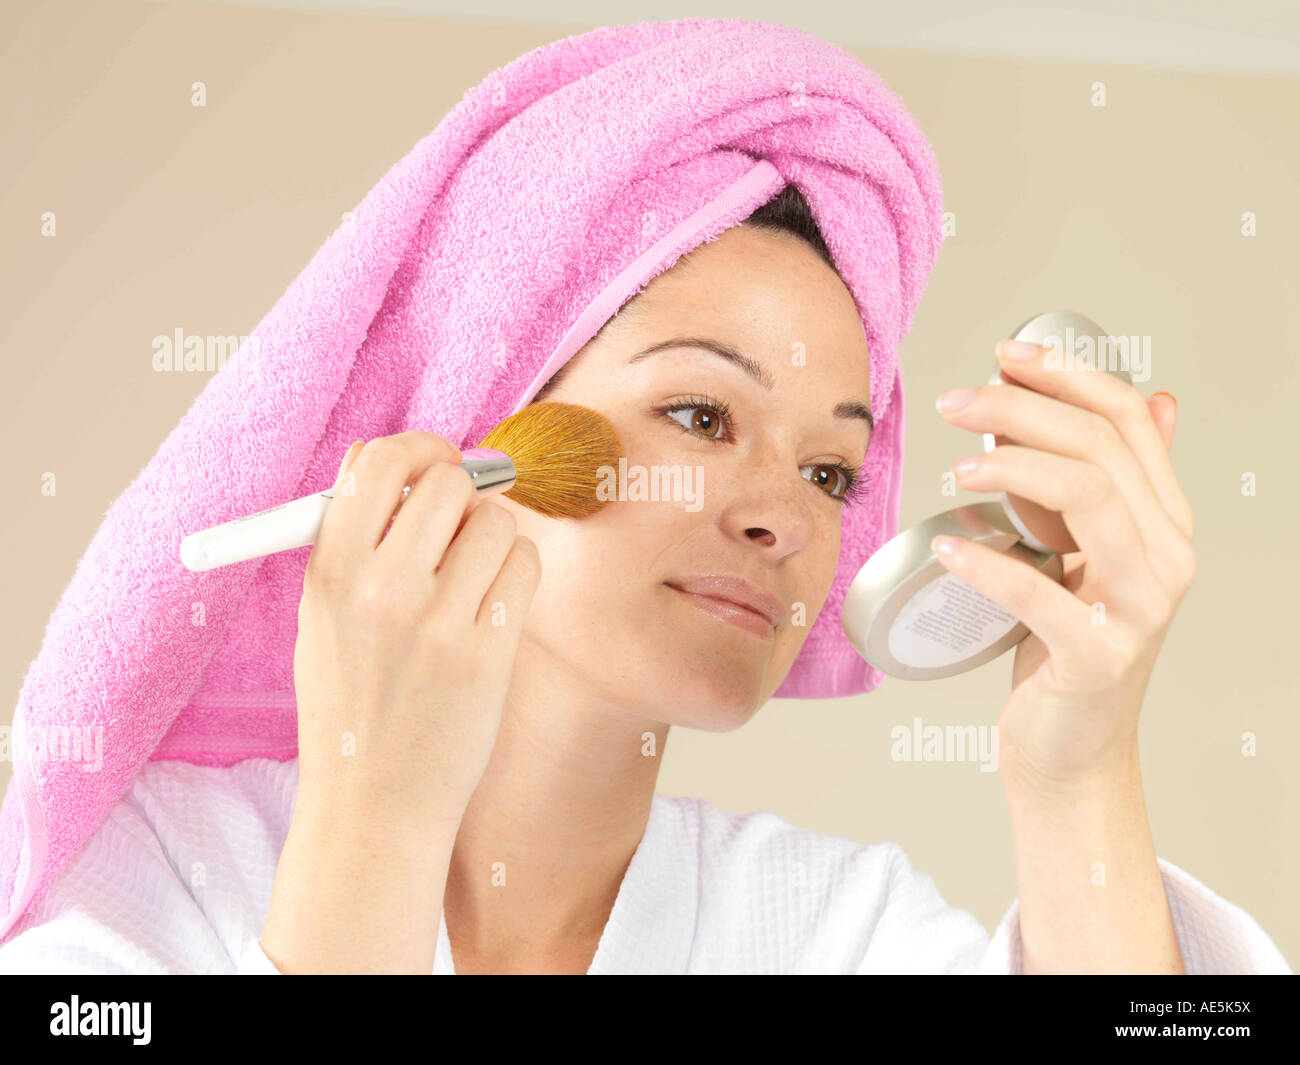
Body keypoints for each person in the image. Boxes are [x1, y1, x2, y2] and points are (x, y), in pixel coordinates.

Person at [0, 185, 1290, 974]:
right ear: (479, 428)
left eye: (833, 473)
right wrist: (373, 824)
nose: (782, 515)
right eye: (702, 414)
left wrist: (1078, 771)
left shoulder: (834, 932)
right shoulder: (148, 876)